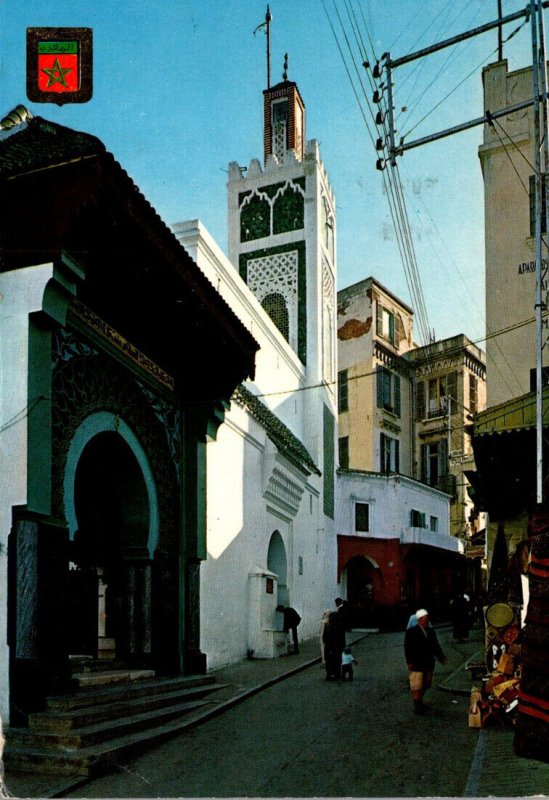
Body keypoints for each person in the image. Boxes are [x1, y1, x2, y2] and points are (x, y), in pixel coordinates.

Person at [404, 608, 448, 715]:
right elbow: (407, 647)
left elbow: (435, 645)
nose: (427, 621)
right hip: (416, 662)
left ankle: (419, 702)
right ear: (419, 620)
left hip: (428, 662)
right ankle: (418, 706)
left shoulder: (430, 631)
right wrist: (409, 661)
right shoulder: (411, 632)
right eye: (424, 619)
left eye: (427, 619)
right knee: (416, 684)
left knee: (427, 683)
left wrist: (441, 657)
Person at [322, 611, 346, 680]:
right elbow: (342, 637)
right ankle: (337, 674)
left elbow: (324, 636)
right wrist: (343, 646)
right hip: (337, 646)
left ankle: (329, 674)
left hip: (328, 646)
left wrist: (326, 644)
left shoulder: (327, 625)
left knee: (329, 661)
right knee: (337, 661)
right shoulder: (340, 626)